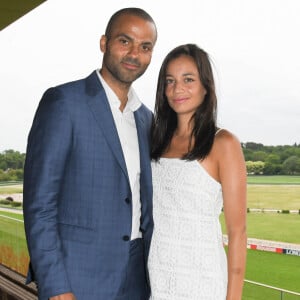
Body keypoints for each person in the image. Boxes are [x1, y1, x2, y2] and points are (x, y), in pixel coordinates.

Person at [23, 7, 157, 300]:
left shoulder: (146, 119)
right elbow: (40, 205)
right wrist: (56, 285)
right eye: (125, 41)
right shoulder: (63, 102)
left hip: (137, 280)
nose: (135, 53)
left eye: (145, 47)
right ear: (104, 43)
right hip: (77, 279)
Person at [148, 44, 247, 300]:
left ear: (206, 86)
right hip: (155, 279)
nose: (177, 89)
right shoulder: (153, 141)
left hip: (202, 282)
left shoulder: (224, 144)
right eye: (170, 81)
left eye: (188, 79)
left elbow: (238, 232)